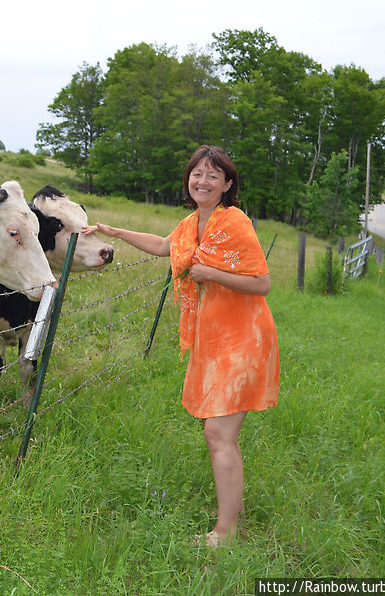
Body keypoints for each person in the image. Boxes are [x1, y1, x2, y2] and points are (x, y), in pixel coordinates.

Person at [82, 145, 279, 547]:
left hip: (243, 338)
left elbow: (262, 284)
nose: (202, 181)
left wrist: (212, 274)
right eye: (197, 174)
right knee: (218, 432)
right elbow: (162, 245)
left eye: (213, 175)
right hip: (213, 338)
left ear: (227, 184)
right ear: (188, 179)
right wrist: (114, 232)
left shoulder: (235, 223)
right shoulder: (192, 223)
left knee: (219, 435)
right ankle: (232, 513)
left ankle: (224, 533)